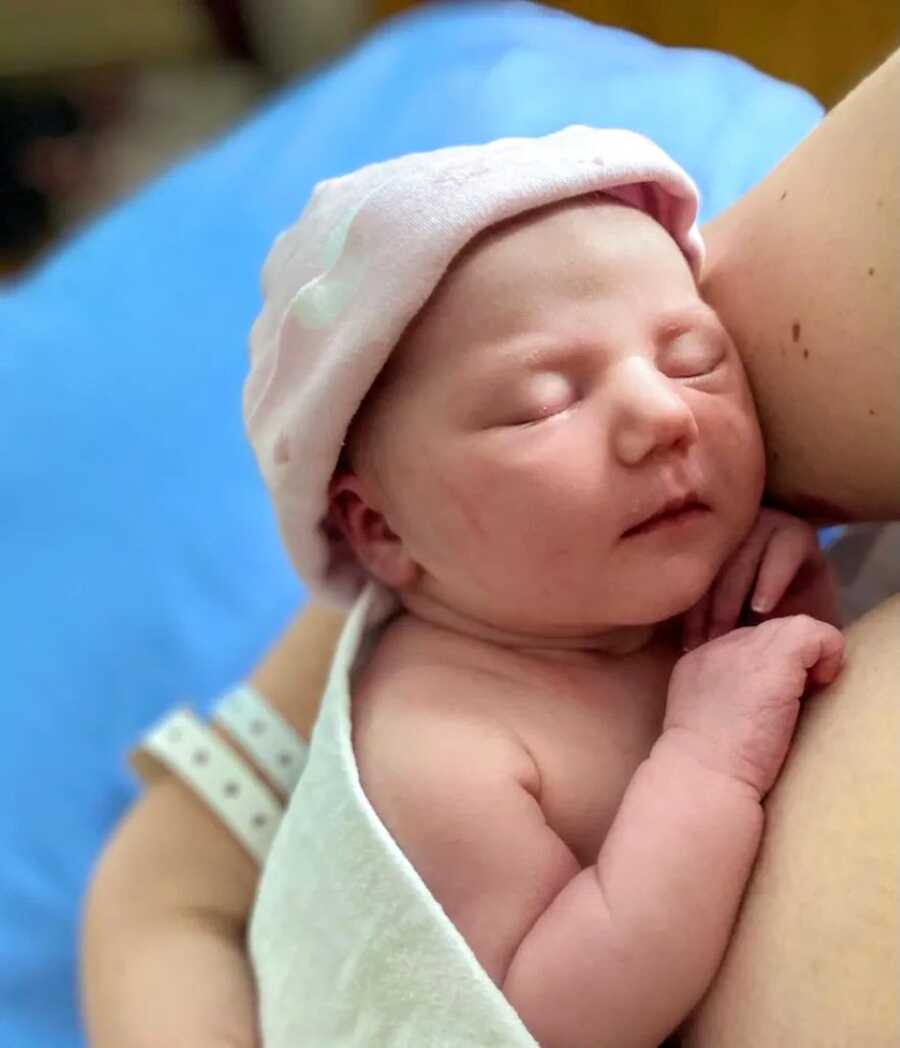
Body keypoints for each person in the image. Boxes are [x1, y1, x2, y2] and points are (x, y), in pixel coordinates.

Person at [80, 49, 899, 1048]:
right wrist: (705, 756)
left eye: (694, 359)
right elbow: (568, 1010)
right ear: (382, 531)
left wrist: (793, 602)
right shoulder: (445, 747)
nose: (661, 415)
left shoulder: (614, 595)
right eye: (542, 402)